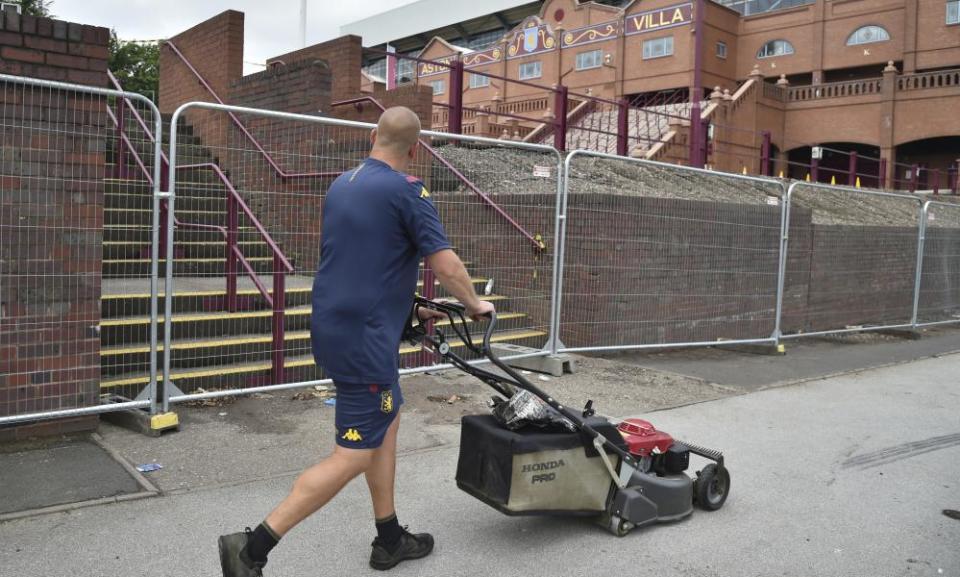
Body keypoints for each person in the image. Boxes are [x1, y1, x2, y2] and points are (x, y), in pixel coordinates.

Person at [218, 107, 496, 576]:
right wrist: (474, 304)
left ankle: (389, 538)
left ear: (373, 136)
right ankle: (252, 547)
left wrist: (409, 307)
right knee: (354, 452)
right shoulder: (408, 191)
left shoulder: (342, 185)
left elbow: (366, 260)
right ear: (416, 149)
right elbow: (445, 264)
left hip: (336, 325)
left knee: (386, 422)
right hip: (365, 339)